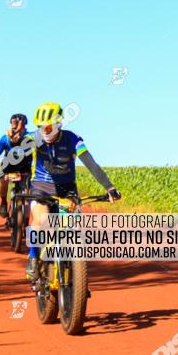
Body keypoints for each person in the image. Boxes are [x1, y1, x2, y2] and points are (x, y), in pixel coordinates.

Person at [24, 102, 121, 280]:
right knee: (42, 220)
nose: (44, 131)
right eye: (40, 127)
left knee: (71, 229)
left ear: (58, 124)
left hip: (67, 191)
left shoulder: (72, 139)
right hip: (41, 188)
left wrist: (109, 187)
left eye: (48, 127)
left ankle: (77, 278)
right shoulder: (32, 138)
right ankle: (32, 256)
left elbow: (90, 162)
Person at [0, 113, 33, 219]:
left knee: (27, 192)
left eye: (18, 126)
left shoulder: (30, 137)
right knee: (3, 179)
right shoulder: (5, 138)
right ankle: (3, 202)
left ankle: (25, 218)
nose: (15, 129)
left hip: (25, 167)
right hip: (8, 166)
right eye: (13, 126)